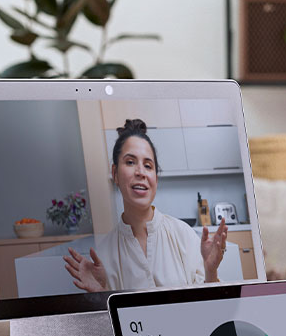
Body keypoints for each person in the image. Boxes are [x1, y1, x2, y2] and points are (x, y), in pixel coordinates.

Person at [63, 117, 228, 292]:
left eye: (148, 165)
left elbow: (210, 307)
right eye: (130, 162)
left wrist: (211, 272)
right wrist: (102, 295)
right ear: (115, 173)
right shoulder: (103, 254)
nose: (141, 172)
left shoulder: (183, 234)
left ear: (155, 178)